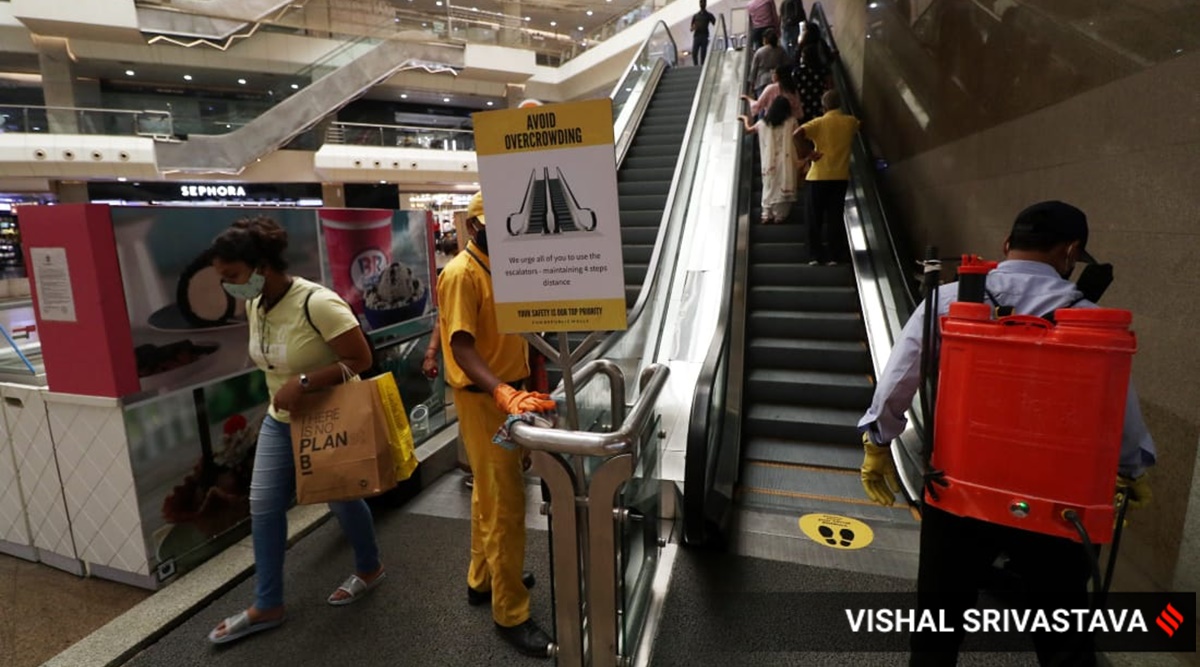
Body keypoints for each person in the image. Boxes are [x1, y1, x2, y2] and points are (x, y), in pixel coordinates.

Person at [857, 201, 1157, 666]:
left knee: (936, 632)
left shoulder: (950, 299)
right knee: (1064, 642)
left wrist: (877, 443)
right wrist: (1131, 471)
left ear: (1006, 244)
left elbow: (900, 378)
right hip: (1057, 507)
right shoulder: (1090, 319)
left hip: (958, 493)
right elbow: (1117, 409)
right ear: (1072, 251)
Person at [205, 216, 386, 645]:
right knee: (264, 507)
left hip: (329, 419)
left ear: (262, 266)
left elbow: (360, 360)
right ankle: (268, 604)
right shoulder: (255, 304)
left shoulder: (317, 303)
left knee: (341, 500)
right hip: (280, 420)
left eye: (232, 276)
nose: (227, 286)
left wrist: (304, 382)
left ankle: (369, 567)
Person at [438, 191, 557, 658]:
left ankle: (482, 578)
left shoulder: (507, 270)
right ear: (473, 228)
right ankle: (511, 611)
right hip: (485, 399)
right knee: (505, 506)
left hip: (510, 394)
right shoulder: (461, 274)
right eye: (491, 226)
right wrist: (502, 392)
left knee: (488, 495)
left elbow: (520, 337)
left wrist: (525, 384)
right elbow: (462, 346)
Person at [795, 89, 859, 265]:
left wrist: (809, 153)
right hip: (840, 177)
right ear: (840, 104)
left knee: (814, 217)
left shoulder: (819, 123)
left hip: (818, 177)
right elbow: (859, 126)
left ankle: (814, 255)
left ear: (823, 106)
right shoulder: (850, 122)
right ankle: (834, 256)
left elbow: (797, 134)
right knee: (834, 217)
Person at [739, 96, 798, 225]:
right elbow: (798, 138)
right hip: (786, 160)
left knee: (769, 185)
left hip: (769, 161)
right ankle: (779, 216)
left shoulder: (763, 123)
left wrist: (744, 119)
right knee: (783, 184)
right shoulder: (792, 122)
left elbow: (748, 130)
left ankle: (766, 214)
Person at [749, 29, 788, 98]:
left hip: (761, 81)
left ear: (766, 40)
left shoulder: (759, 52)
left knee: (763, 103)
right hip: (777, 79)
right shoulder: (781, 50)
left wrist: (752, 84)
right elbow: (786, 64)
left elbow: (754, 69)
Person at [690, 0, 717, 67]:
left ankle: (702, 66)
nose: (702, 3)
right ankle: (695, 66)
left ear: (706, 3)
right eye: (701, 2)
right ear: (699, 4)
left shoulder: (709, 15)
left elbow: (715, 23)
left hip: (704, 36)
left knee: (703, 53)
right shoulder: (696, 16)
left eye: (704, 2)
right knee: (694, 52)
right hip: (697, 36)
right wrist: (693, 28)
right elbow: (691, 28)